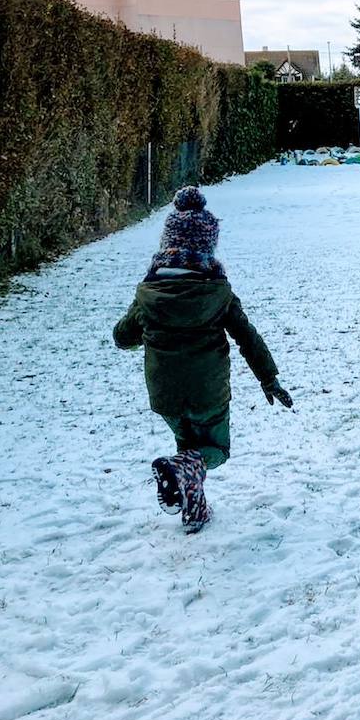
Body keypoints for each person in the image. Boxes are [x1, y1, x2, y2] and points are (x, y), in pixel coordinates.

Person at [113, 186, 292, 534]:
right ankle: (182, 473)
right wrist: (269, 380)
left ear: (167, 243)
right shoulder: (218, 292)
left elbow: (123, 337)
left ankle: (195, 511)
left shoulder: (149, 292)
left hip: (164, 395)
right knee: (215, 451)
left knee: (187, 450)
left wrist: (142, 329)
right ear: (209, 245)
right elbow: (247, 337)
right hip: (208, 393)